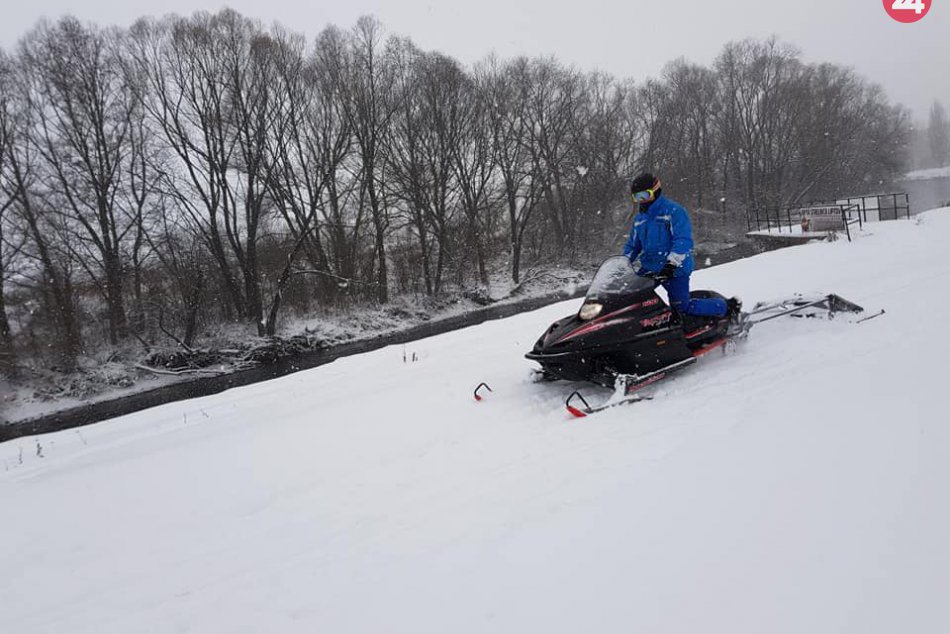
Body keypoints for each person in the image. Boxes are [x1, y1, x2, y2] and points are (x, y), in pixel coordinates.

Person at [623, 172, 740, 318]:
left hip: (675, 269)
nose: (642, 201)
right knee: (630, 299)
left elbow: (683, 241)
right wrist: (622, 263)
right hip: (650, 269)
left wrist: (671, 264)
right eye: (637, 197)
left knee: (681, 307)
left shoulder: (673, 212)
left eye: (645, 196)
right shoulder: (640, 219)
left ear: (656, 191)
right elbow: (633, 246)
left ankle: (727, 307)